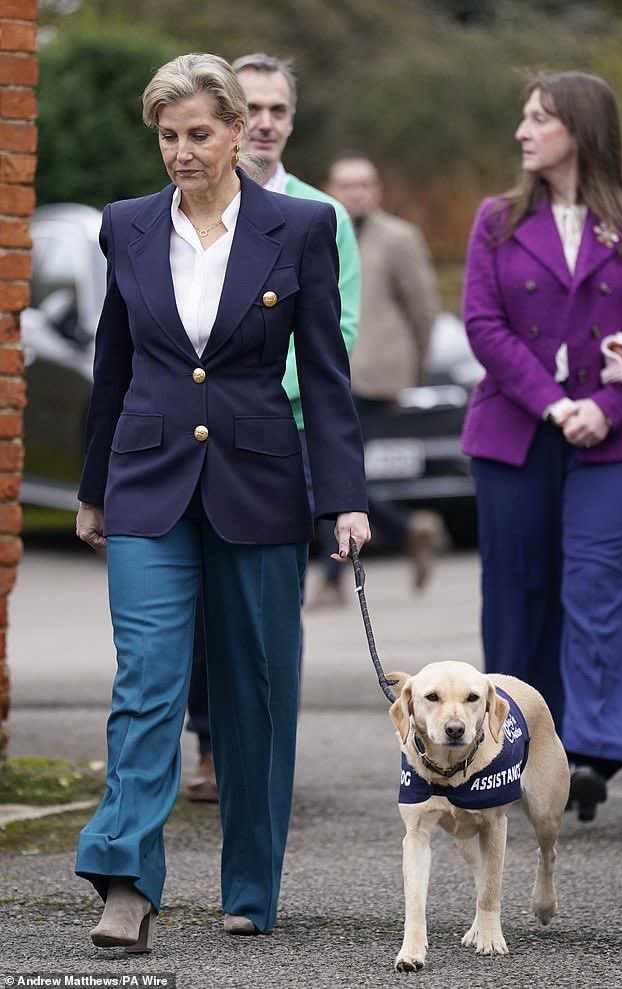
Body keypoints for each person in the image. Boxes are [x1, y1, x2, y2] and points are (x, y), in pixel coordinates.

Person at [74, 52, 370, 948]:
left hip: (261, 479)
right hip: (146, 480)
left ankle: (249, 883)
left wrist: (344, 497)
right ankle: (125, 877)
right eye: (167, 136)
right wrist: (92, 489)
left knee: (257, 691)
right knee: (148, 679)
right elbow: (112, 364)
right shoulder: (125, 225)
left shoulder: (303, 227)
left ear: (241, 130)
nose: (181, 152)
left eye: (199, 133)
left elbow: (325, 376)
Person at [184, 52, 361, 802]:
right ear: (228, 117)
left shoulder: (323, 217)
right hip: (194, 440)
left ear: (291, 120)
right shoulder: (178, 208)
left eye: (278, 110)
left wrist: (254, 392)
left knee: (264, 603)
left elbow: (336, 330)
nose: (263, 122)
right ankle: (209, 743)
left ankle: (257, 741)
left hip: (280, 439)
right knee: (190, 598)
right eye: (251, 107)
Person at [461, 71, 622, 822]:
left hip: (614, 434)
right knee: (518, 591)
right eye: (523, 116)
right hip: (516, 430)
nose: (523, 131)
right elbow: (483, 325)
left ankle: (592, 748)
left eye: (540, 118)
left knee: (597, 582)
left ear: (581, 129)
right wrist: (557, 403)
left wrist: (607, 404)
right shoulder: (496, 219)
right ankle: (513, 752)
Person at [312, 153, 442, 604]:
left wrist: (413, 372)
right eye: (346, 184)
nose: (356, 193)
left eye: (364, 184)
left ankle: (332, 582)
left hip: (375, 376)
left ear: (378, 190)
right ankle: (407, 529)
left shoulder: (399, 238)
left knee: (330, 471)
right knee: (333, 474)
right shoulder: (316, 229)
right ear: (330, 188)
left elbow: (423, 310)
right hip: (326, 373)